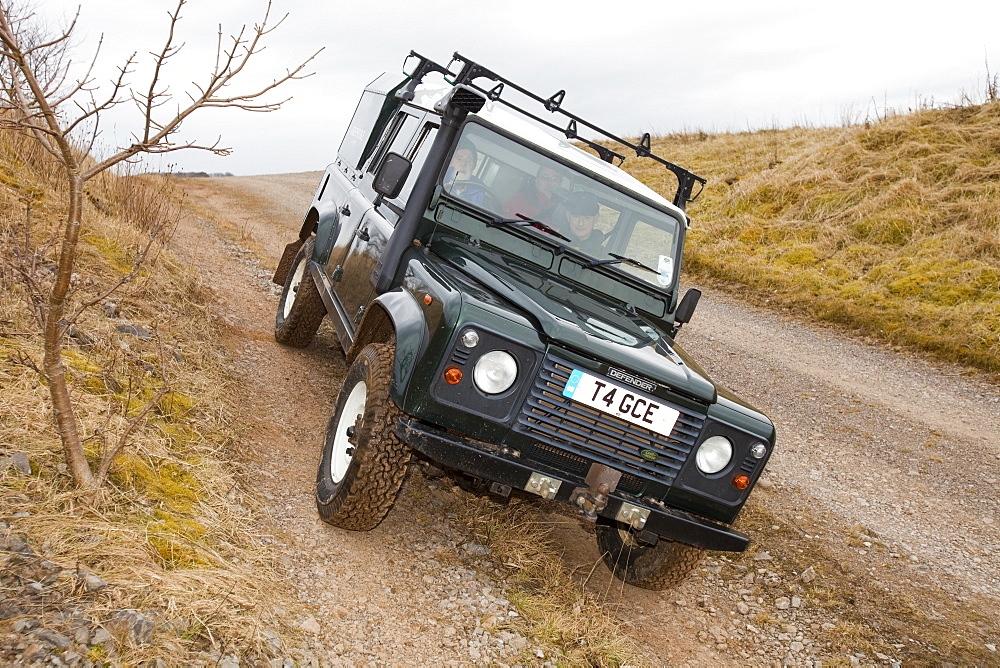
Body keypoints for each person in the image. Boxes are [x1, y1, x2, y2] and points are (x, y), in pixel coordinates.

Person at [562, 190, 605, 255]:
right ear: (568, 216)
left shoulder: (602, 255)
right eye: (576, 216)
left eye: (587, 218)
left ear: (596, 218)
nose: (581, 223)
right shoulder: (553, 239)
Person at [444, 141, 486, 206]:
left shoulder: (479, 191)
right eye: (459, 159)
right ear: (451, 162)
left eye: (469, 161)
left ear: (473, 167)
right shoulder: (439, 180)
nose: (463, 164)